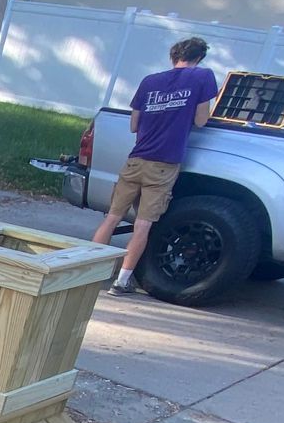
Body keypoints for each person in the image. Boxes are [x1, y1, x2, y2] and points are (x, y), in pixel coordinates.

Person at [92, 36, 220, 295]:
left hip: (135, 160)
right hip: (164, 164)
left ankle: (87, 271)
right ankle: (122, 280)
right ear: (199, 58)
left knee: (113, 217)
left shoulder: (150, 81)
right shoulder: (202, 77)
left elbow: (133, 125)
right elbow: (202, 120)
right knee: (143, 224)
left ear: (173, 56)